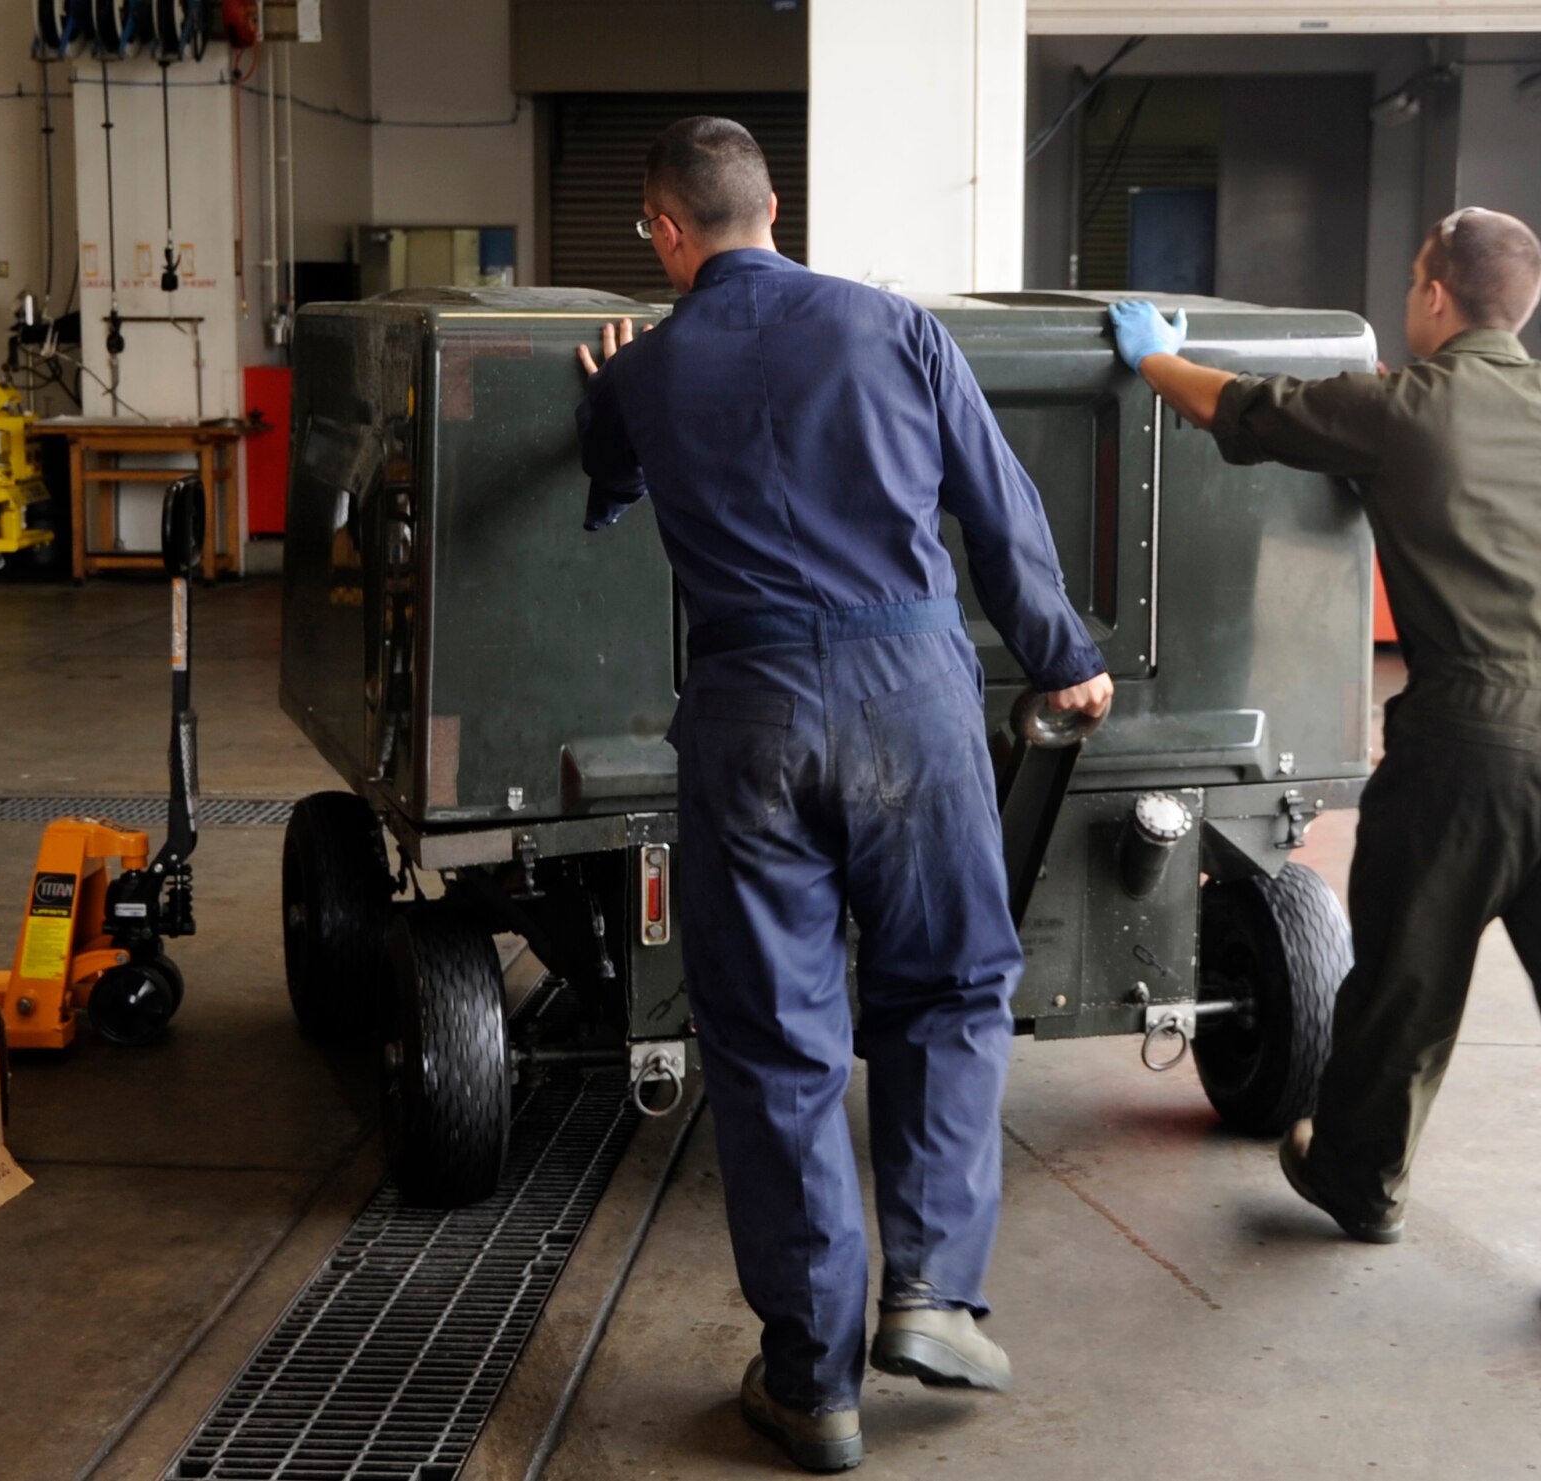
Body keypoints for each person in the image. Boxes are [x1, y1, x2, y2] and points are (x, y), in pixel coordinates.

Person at [574, 117, 1112, 1471]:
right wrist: (1063, 655)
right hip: (912, 700)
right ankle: (931, 1293)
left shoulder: (650, 369)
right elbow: (994, 500)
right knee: (947, 985)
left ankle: (811, 1382)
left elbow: (607, 482)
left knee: (774, 1043)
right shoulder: (891, 325)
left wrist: (613, 397)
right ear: (775, 208)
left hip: (748, 716)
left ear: (664, 229)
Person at [1106, 209, 1541, 1357]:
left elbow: (1240, 410)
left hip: (1476, 731)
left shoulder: (1398, 410)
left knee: (1406, 981)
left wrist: (1153, 353)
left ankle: (1356, 1178)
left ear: (1432, 297)